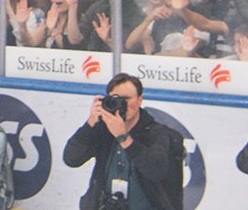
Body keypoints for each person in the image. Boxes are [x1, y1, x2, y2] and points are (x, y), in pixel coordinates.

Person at [63, 73, 185, 210]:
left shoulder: (159, 134)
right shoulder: (104, 131)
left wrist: (123, 137)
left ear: (140, 100)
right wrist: (89, 124)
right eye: (116, 99)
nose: (122, 104)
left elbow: (156, 171)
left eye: (127, 99)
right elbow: (71, 158)